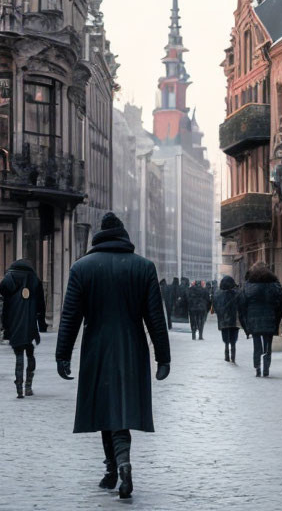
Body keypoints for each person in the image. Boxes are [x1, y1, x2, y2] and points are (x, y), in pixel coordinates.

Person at [55, 212, 170, 499]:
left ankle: (117, 465)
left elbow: (70, 316)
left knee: (107, 407)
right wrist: (163, 357)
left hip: (97, 348)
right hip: (132, 347)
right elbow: (155, 316)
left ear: (99, 235)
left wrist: (63, 354)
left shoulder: (82, 268)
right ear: (124, 236)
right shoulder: (144, 267)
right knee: (120, 409)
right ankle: (117, 466)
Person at [0, 259, 47, 398]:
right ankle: (28, 386)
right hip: (30, 323)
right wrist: (42, 324)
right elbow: (41, 305)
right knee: (30, 352)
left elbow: (4, 304)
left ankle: (19, 387)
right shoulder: (35, 281)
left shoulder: (8, 280)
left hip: (14, 323)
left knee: (18, 354)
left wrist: (5, 326)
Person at [237, 262, 282, 377]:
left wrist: (246, 325)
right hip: (270, 319)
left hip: (254, 321)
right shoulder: (275, 284)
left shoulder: (248, 286)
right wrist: (277, 318)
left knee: (256, 344)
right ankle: (266, 368)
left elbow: (241, 306)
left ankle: (257, 367)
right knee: (268, 344)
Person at [213, 276, 241, 362]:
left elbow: (215, 306)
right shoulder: (237, 293)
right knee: (234, 336)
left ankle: (226, 350)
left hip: (223, 319)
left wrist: (219, 313)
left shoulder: (218, 294)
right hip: (234, 319)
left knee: (225, 337)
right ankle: (233, 351)